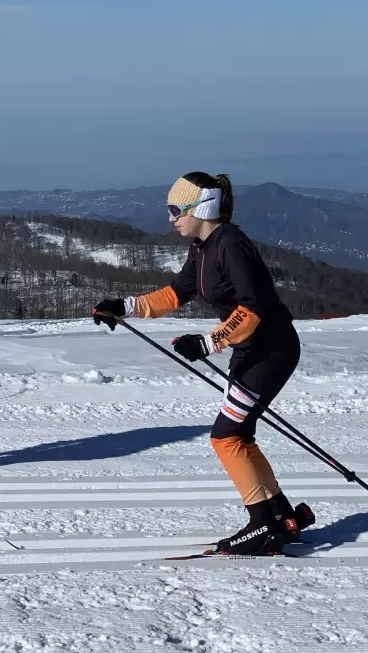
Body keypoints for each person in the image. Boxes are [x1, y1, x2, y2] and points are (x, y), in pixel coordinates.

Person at [92, 171, 314, 555]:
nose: (170, 217)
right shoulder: (202, 246)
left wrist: (210, 343)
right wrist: (123, 307)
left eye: (177, 209)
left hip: (271, 350)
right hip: (251, 350)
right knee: (238, 435)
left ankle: (262, 523)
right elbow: (176, 293)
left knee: (225, 436)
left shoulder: (231, 245)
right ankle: (278, 514)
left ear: (202, 207)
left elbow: (254, 307)